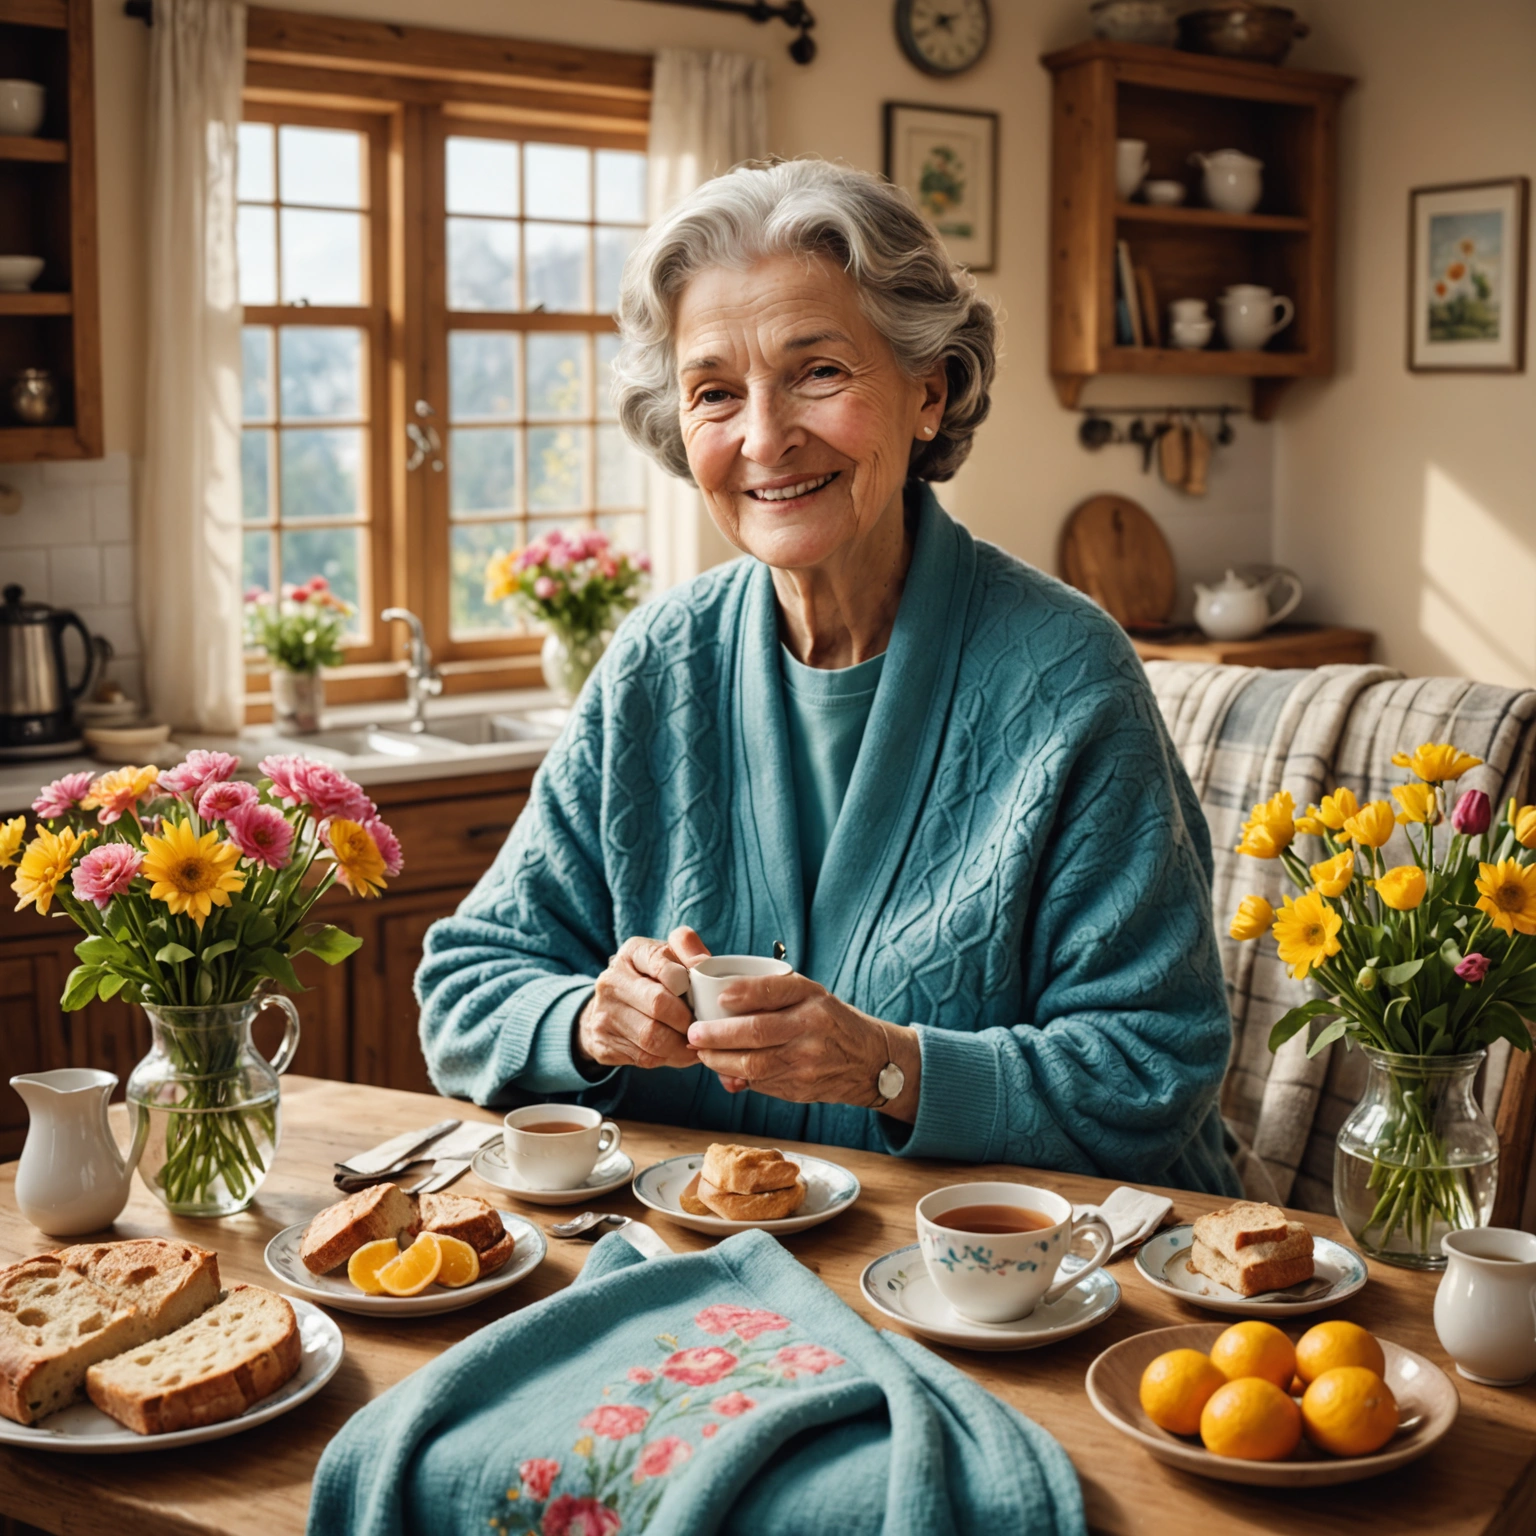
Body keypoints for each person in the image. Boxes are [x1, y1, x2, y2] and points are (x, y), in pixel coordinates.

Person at [416, 158, 1241, 1195]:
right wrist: (587, 1021)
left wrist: (890, 1068)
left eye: (817, 373)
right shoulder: (656, 663)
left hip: (1012, 1270)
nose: (765, 439)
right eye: (716, 393)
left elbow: (1152, 1066)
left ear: (929, 391)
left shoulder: (1068, 676)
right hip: (696, 1264)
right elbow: (463, 991)